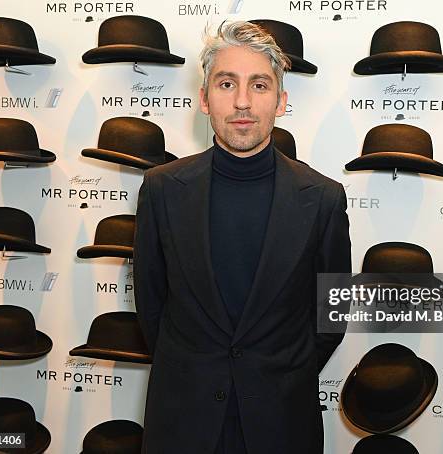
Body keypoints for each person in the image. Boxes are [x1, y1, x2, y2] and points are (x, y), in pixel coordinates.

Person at [133, 21, 351, 454]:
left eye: (260, 85)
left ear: (281, 101)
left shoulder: (323, 198)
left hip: (282, 423)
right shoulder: (161, 188)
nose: (243, 102)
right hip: (181, 422)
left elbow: (331, 315)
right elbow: (151, 306)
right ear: (203, 99)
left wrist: (278, 374)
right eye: (226, 83)